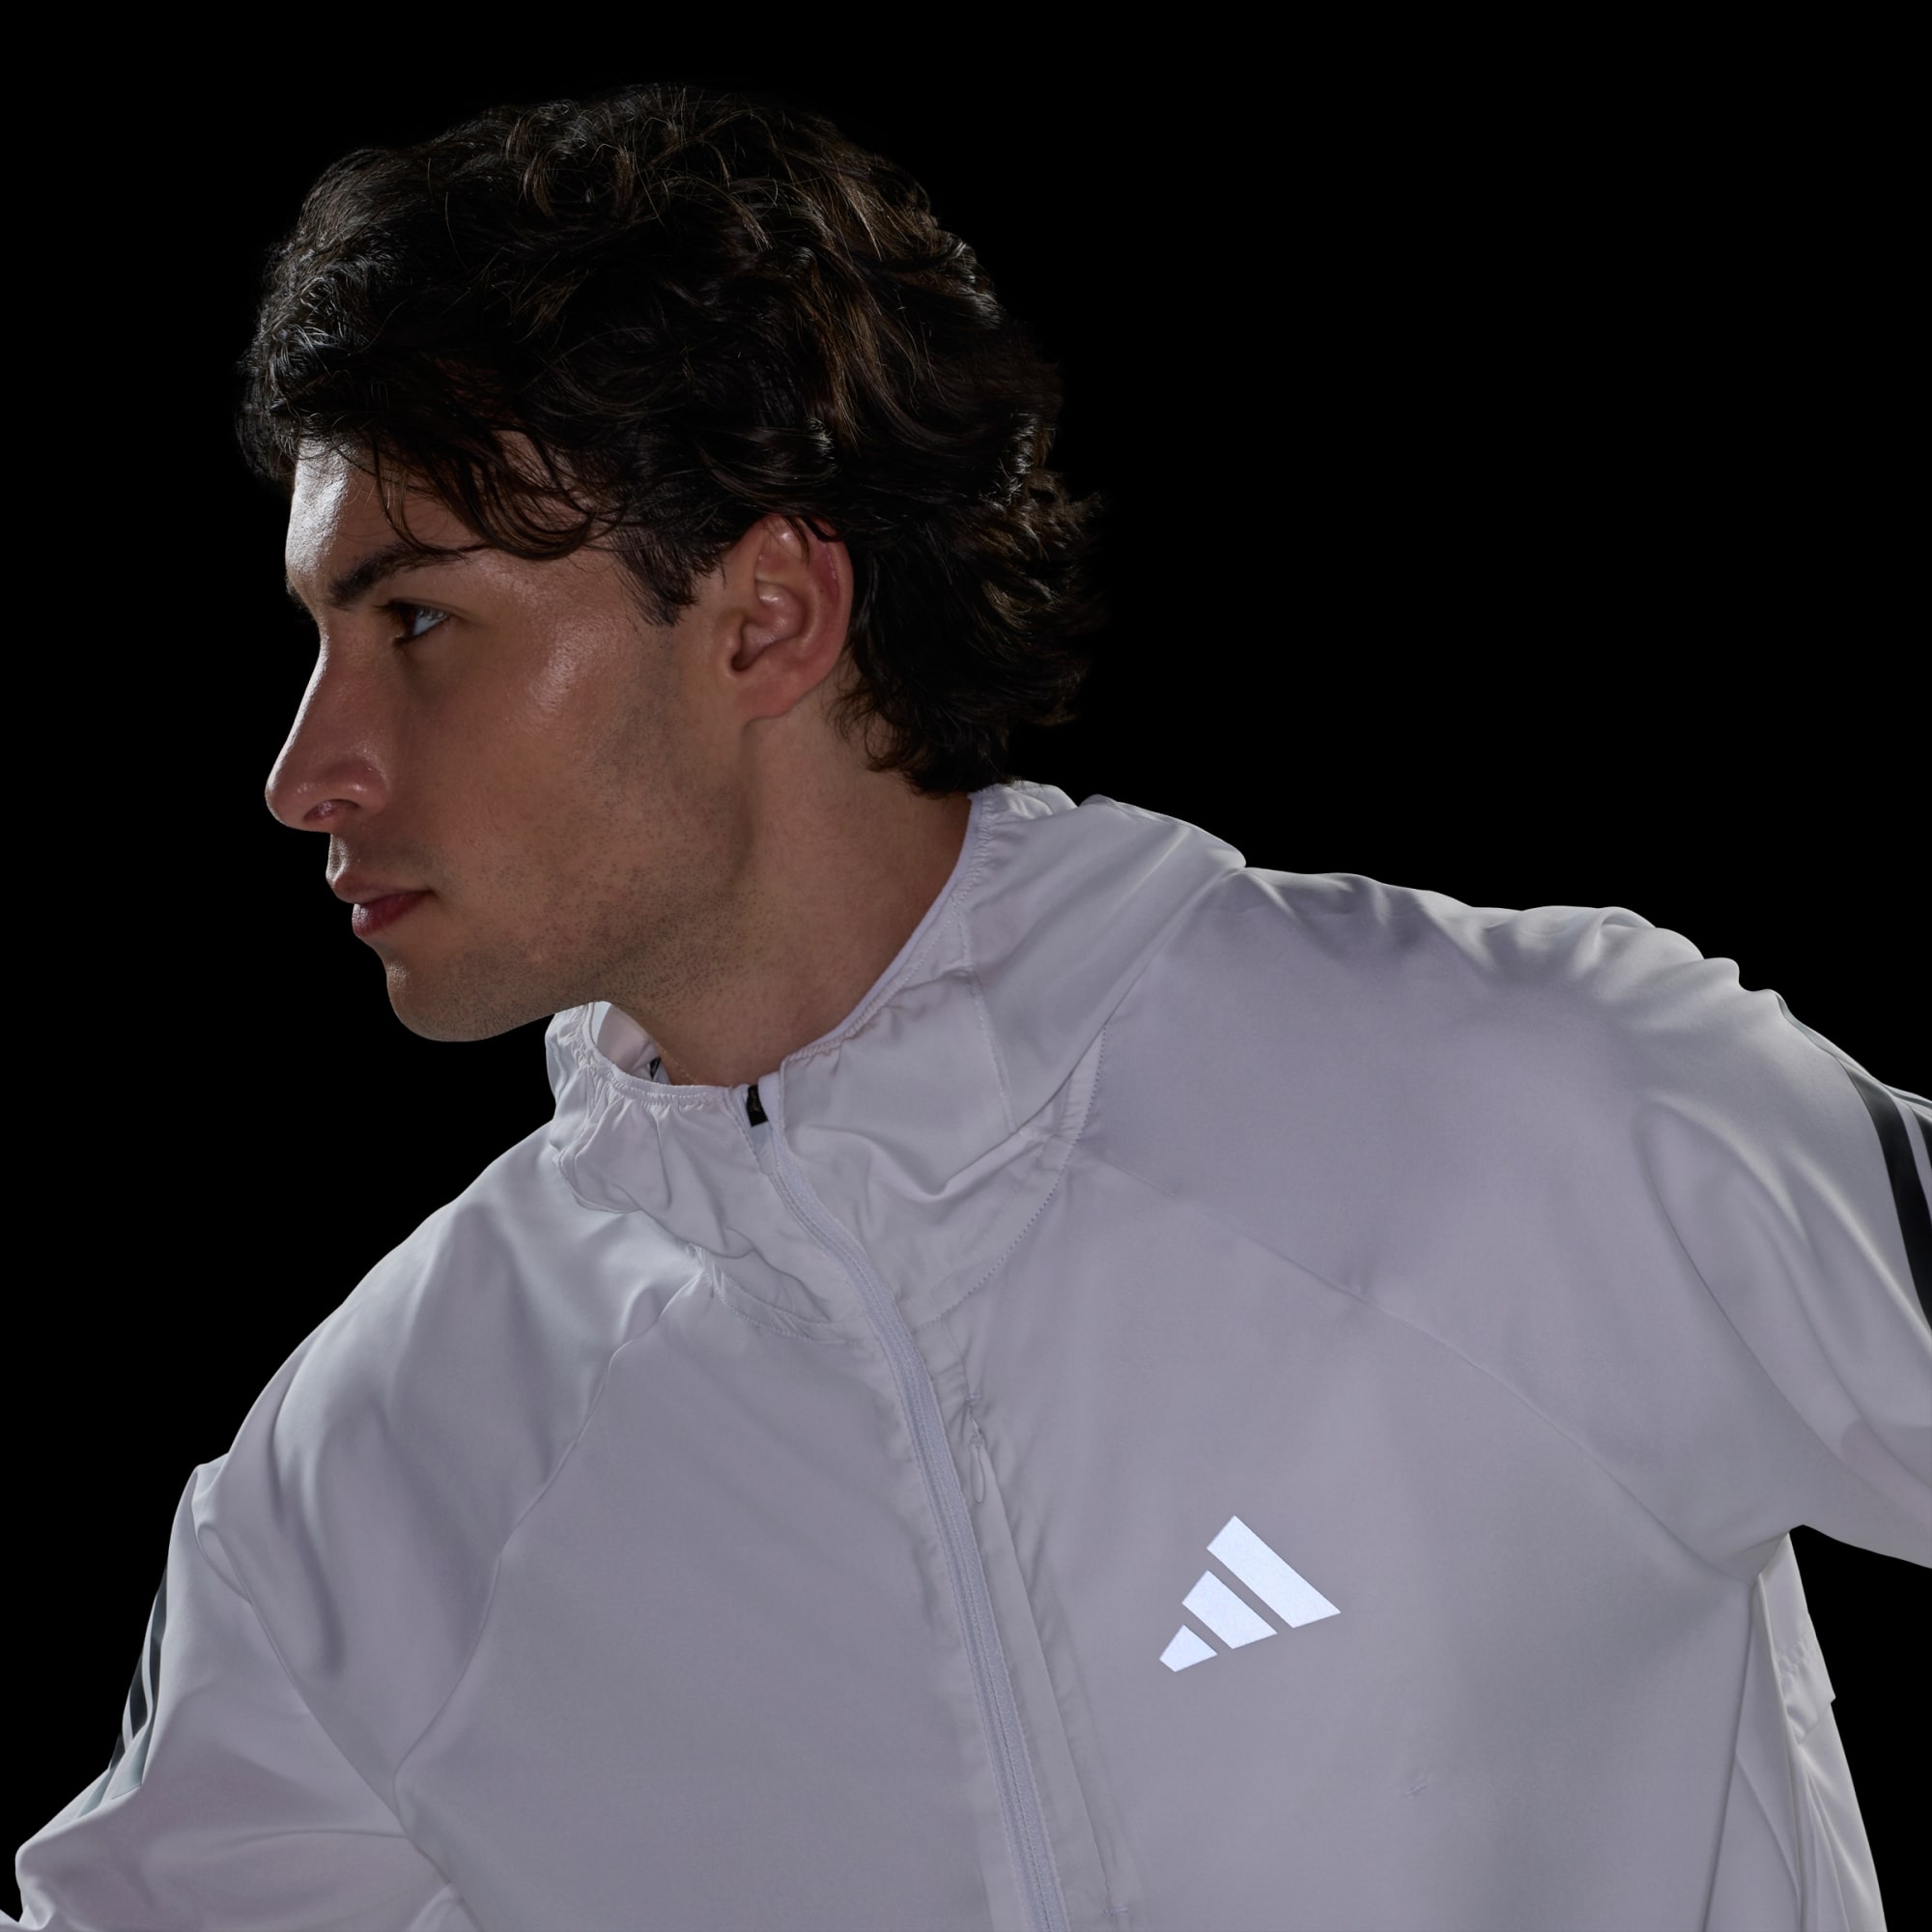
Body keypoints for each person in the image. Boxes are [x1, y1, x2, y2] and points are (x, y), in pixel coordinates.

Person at [11, 81, 1927, 1932]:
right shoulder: (382, 1465)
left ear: (769, 615)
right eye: (320, 638)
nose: (307, 770)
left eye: (418, 622)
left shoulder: (1530, 1103)